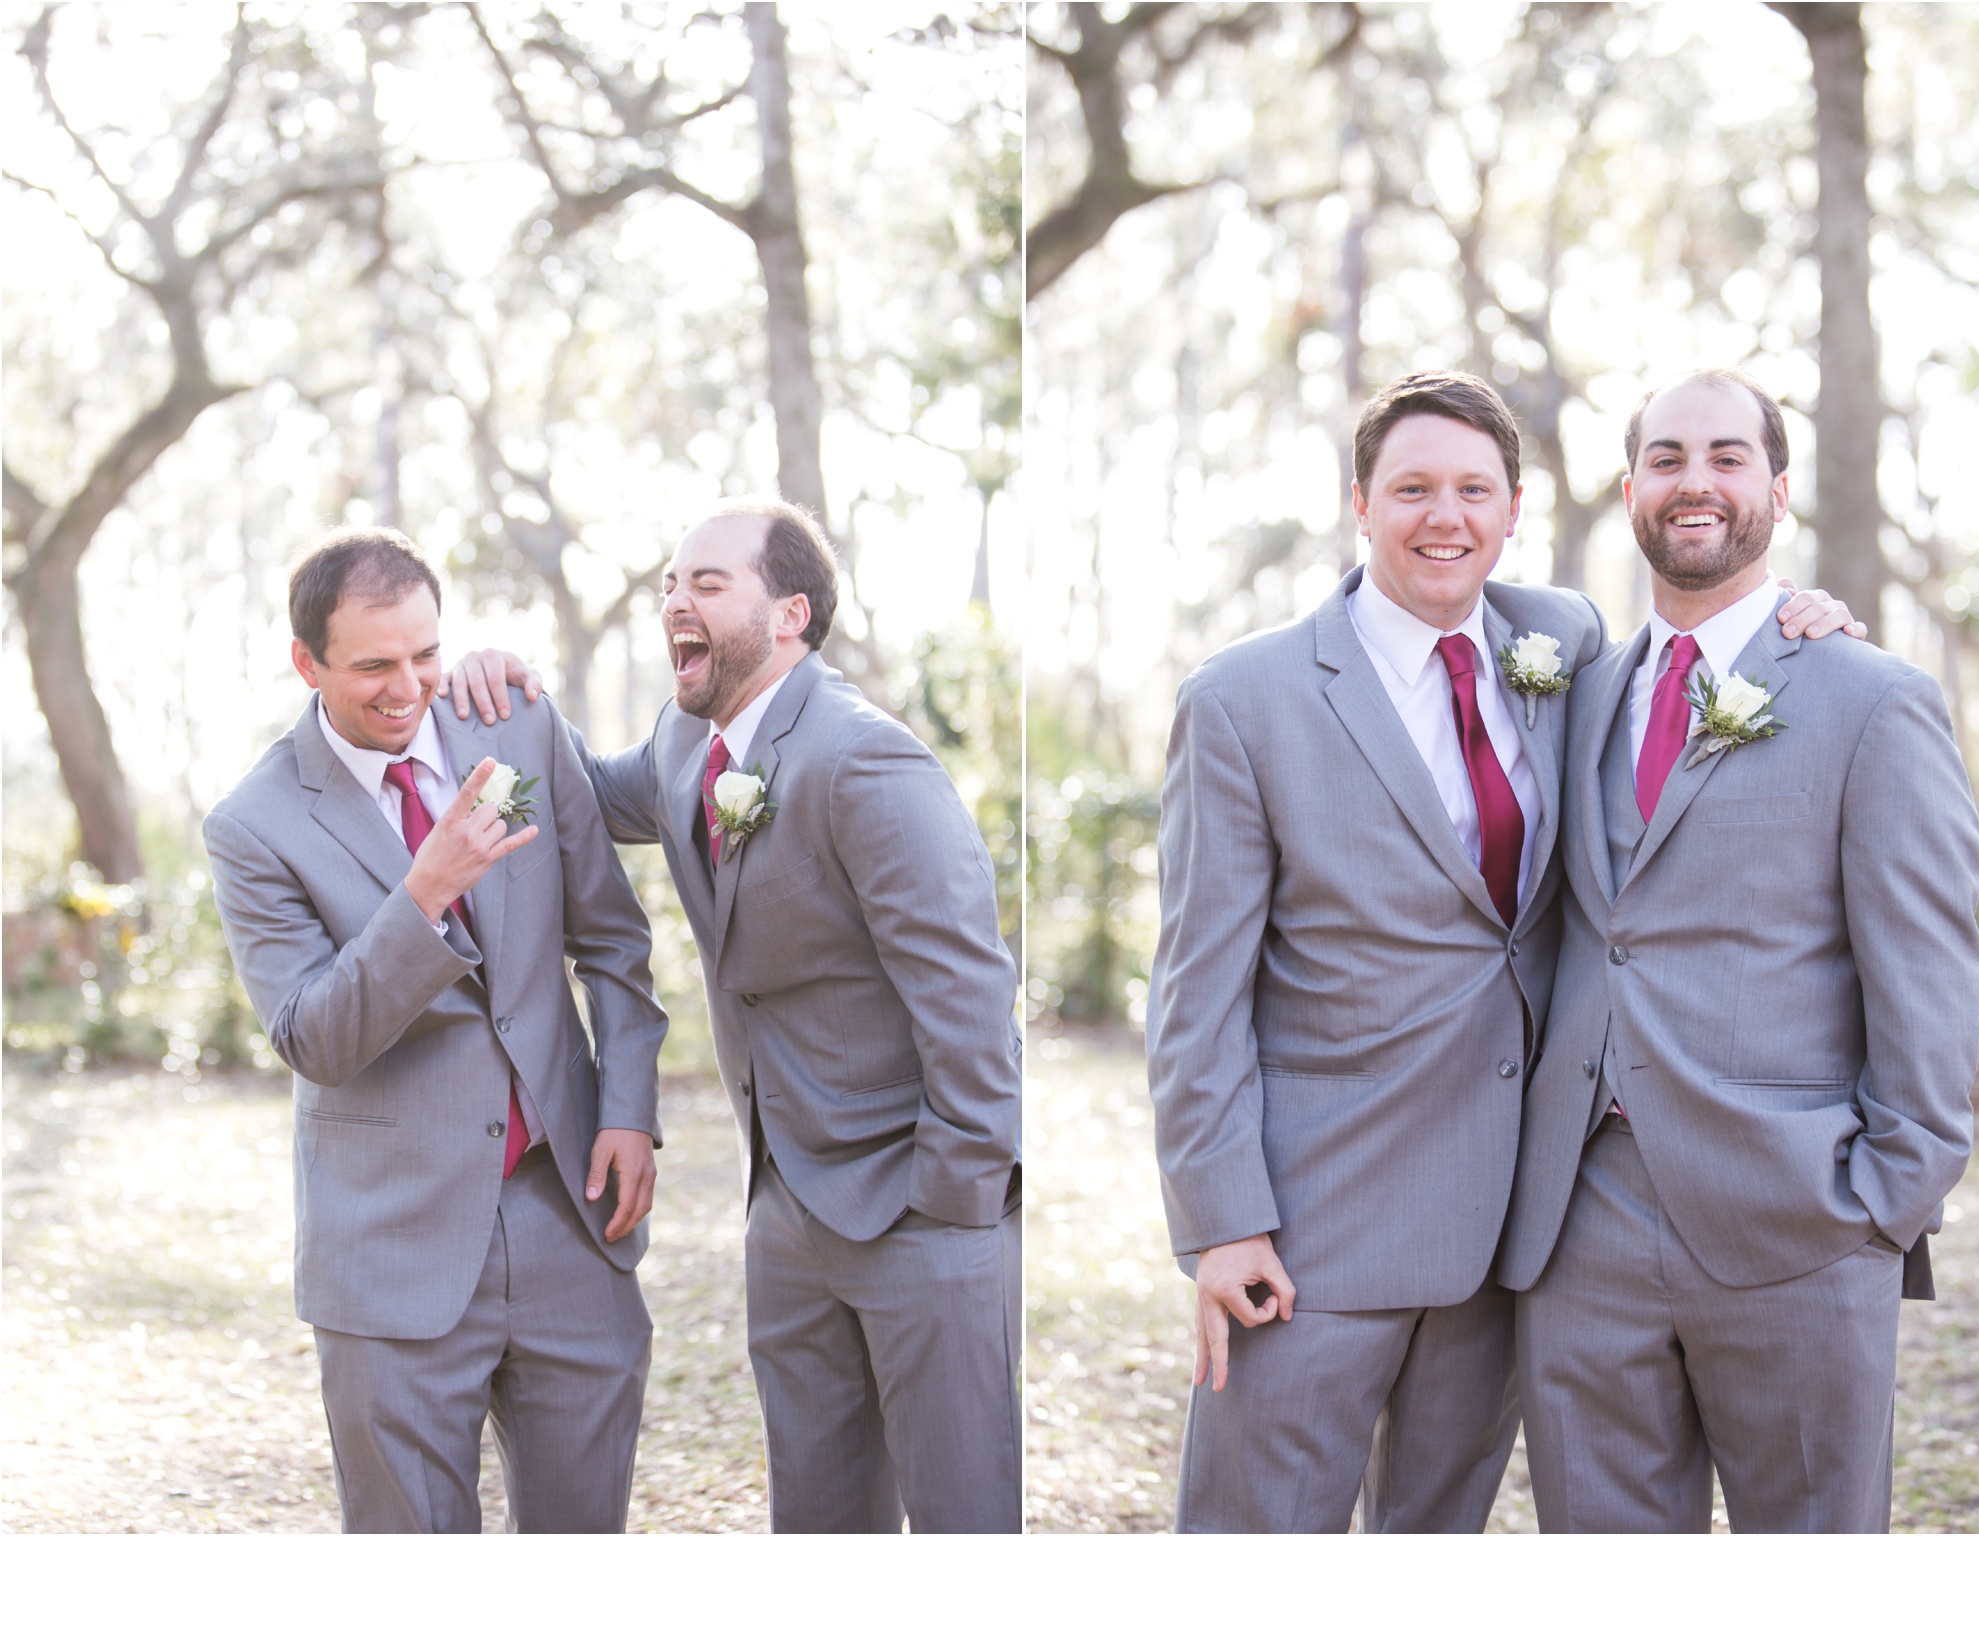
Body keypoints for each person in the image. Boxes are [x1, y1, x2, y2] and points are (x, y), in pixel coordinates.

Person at [1147, 370, 1859, 1533]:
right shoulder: (1244, 699)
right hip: (1307, 1229)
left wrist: (1807, 619)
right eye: (1413, 488)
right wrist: (1221, 1218)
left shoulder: (1562, 645)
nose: (1445, 516)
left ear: (1513, 507)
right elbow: (1194, 990)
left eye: (1473, 488)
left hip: (1506, 1235)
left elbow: (1703, 655)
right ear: (1359, 503)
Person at [445, 499, 1023, 1533]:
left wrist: (949, 1200)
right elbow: (571, 791)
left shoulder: (865, 760)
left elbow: (972, 1002)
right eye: (671, 583)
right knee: (815, 1519)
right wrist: (502, 684)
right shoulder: (681, 742)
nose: (675, 599)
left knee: (961, 1522)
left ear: (790, 613)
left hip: (918, 1215)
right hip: (787, 1211)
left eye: (706, 582)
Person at [1498, 369, 1979, 1533]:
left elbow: (1926, 969)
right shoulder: (1571, 689)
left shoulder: (1870, 700)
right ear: (1629, 491)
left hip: (1800, 1226)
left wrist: (1880, 1201)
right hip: (1582, 1225)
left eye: (1724, 457)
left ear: (1775, 488)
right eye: (1665, 459)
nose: (1693, 482)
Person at [204, 526, 667, 1532]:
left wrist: (628, 1110)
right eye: (373, 664)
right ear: (306, 663)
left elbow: (614, 943)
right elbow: (312, 1037)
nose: (408, 685)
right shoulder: (254, 824)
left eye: (425, 653)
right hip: (390, 1250)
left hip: (568, 1219)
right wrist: (423, 893)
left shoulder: (514, 725)